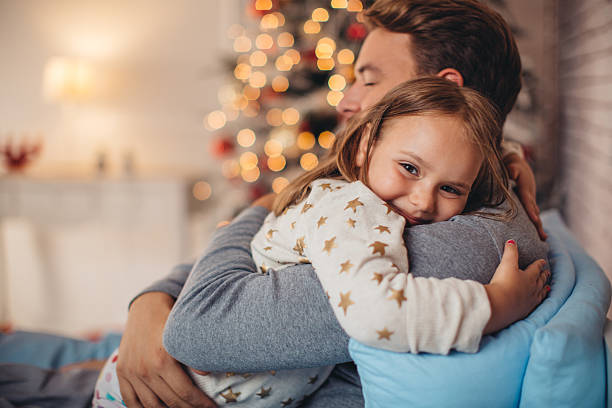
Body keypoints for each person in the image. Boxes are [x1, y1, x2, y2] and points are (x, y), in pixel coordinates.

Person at [110, 1, 549, 407]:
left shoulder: (462, 237)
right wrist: (151, 298)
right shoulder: (395, 191)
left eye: (370, 79)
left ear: (438, 89)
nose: (347, 100)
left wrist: (263, 207)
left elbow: (198, 328)